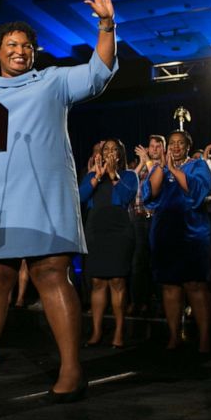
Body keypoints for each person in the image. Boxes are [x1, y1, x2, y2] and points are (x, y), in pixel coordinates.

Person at [0, 0, 117, 403]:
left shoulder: (51, 81)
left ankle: (72, 370)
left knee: (51, 274)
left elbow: (98, 72)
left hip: (44, 195)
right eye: (11, 45)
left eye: (26, 46)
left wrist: (105, 26)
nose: (19, 51)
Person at [144, 130, 211, 353]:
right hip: (165, 233)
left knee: (194, 285)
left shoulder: (198, 165)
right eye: (171, 143)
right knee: (170, 285)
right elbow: (152, 192)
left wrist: (175, 169)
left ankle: (204, 338)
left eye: (179, 143)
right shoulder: (159, 167)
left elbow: (197, 190)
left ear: (187, 146)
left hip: (191, 233)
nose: (174, 147)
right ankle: (174, 336)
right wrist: (163, 168)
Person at [79, 139, 138, 348]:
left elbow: (124, 198)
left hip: (119, 232)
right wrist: (96, 178)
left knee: (117, 282)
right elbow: (81, 197)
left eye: (114, 150)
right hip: (96, 231)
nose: (110, 153)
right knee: (97, 282)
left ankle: (119, 332)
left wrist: (113, 176)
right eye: (106, 150)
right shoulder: (92, 175)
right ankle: (96, 332)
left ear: (121, 154)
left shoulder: (130, 176)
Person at [130, 135, 166, 316]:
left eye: (158, 146)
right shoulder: (143, 166)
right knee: (138, 261)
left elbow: (156, 186)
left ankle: (161, 302)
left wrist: (149, 162)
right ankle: (139, 301)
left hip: (157, 218)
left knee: (158, 260)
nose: (154, 149)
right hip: (139, 217)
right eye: (151, 146)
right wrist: (142, 163)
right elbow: (128, 184)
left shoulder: (164, 167)